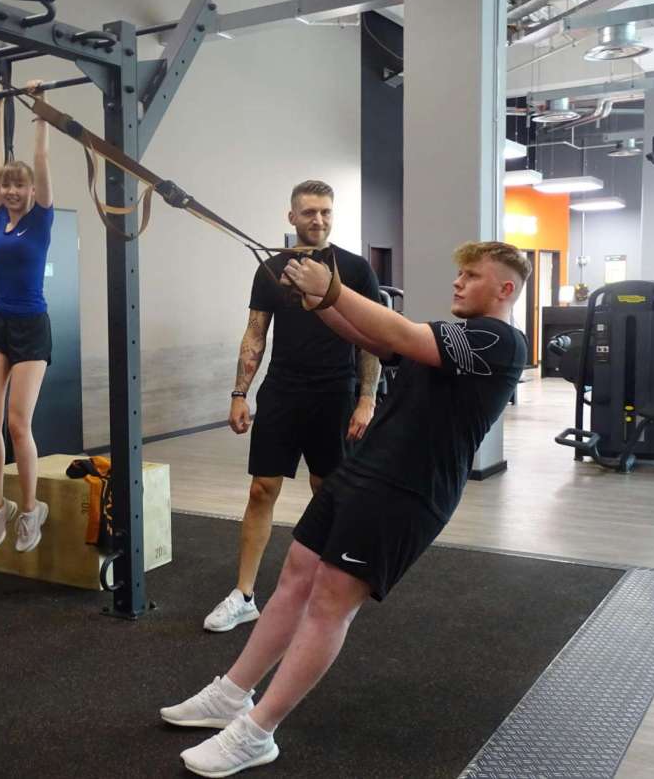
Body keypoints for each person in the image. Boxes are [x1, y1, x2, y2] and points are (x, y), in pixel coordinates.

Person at [161, 242, 530, 776]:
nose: (458, 282)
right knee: (296, 574)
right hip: (363, 470)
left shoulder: (499, 342)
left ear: (505, 289)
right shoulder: (456, 338)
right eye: (460, 273)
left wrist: (332, 289)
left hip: (408, 491)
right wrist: (317, 302)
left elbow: (400, 333)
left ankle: (257, 733)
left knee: (330, 600)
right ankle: (231, 694)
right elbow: (372, 338)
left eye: (471, 276)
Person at [204, 180, 382, 634]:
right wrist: (239, 394)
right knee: (261, 491)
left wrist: (366, 398)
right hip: (282, 392)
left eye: (325, 212)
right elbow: (255, 333)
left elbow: (371, 338)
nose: (318, 220)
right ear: (292, 217)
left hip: (335, 394)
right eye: (309, 212)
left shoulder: (356, 269)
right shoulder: (272, 269)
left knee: (328, 492)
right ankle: (244, 595)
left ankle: (327, 591)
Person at [0, 80, 54, 554]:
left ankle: (30, 509)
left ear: (31, 190)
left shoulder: (41, 218)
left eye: (18, 184)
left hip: (32, 327)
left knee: (17, 424)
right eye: (6, 184)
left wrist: (40, 108)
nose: (10, 190)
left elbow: (41, 158)